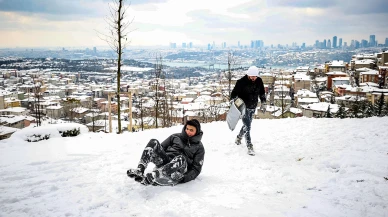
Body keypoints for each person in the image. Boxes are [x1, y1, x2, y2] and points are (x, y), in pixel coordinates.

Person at [127, 119, 205, 186]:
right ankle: (140, 169)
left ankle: (156, 175)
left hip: (179, 169)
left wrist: (183, 178)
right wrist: (152, 155)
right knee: (153, 142)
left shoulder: (199, 148)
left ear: (197, 132)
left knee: (181, 158)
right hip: (166, 161)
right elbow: (160, 148)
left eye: (191, 130)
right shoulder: (175, 137)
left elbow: (196, 169)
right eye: (187, 129)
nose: (188, 131)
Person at [230, 66, 266, 155]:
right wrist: (234, 102)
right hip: (243, 107)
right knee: (248, 127)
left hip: (253, 106)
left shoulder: (259, 81)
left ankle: (238, 137)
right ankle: (249, 146)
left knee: (247, 124)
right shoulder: (241, 82)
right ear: (248, 75)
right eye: (252, 76)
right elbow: (233, 94)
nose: (254, 78)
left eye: (255, 76)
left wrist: (263, 103)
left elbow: (262, 93)